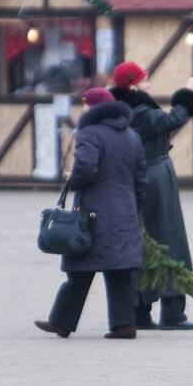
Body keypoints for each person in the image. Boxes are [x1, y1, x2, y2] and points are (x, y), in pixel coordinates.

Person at [35, 88, 148, 339]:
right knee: (118, 271)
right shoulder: (131, 135)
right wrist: (135, 207)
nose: (84, 109)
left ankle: (61, 321)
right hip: (124, 211)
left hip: (95, 212)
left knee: (78, 268)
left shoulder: (90, 132)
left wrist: (72, 182)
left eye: (86, 105)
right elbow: (141, 178)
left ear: (94, 108)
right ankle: (124, 325)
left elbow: (85, 166)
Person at [109, 61, 193, 330]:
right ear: (132, 85)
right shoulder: (137, 110)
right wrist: (188, 92)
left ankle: (141, 310)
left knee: (147, 240)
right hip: (155, 179)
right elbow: (171, 119)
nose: (148, 84)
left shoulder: (125, 109)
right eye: (144, 80)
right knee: (169, 238)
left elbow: (159, 131)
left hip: (143, 177)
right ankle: (173, 313)